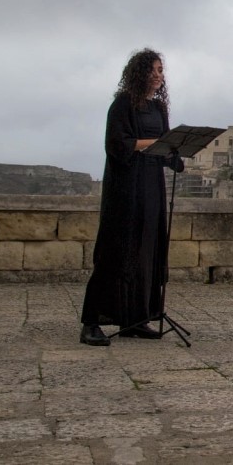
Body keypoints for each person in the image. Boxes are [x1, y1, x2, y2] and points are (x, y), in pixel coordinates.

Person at [80, 49, 184, 346]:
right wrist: (158, 143)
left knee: (146, 251)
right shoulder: (123, 104)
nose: (157, 75)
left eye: (161, 70)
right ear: (138, 73)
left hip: (151, 186)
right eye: (152, 69)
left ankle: (135, 319)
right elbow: (116, 144)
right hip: (125, 186)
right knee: (117, 250)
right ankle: (91, 322)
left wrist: (175, 154)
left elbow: (163, 146)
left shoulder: (159, 109)